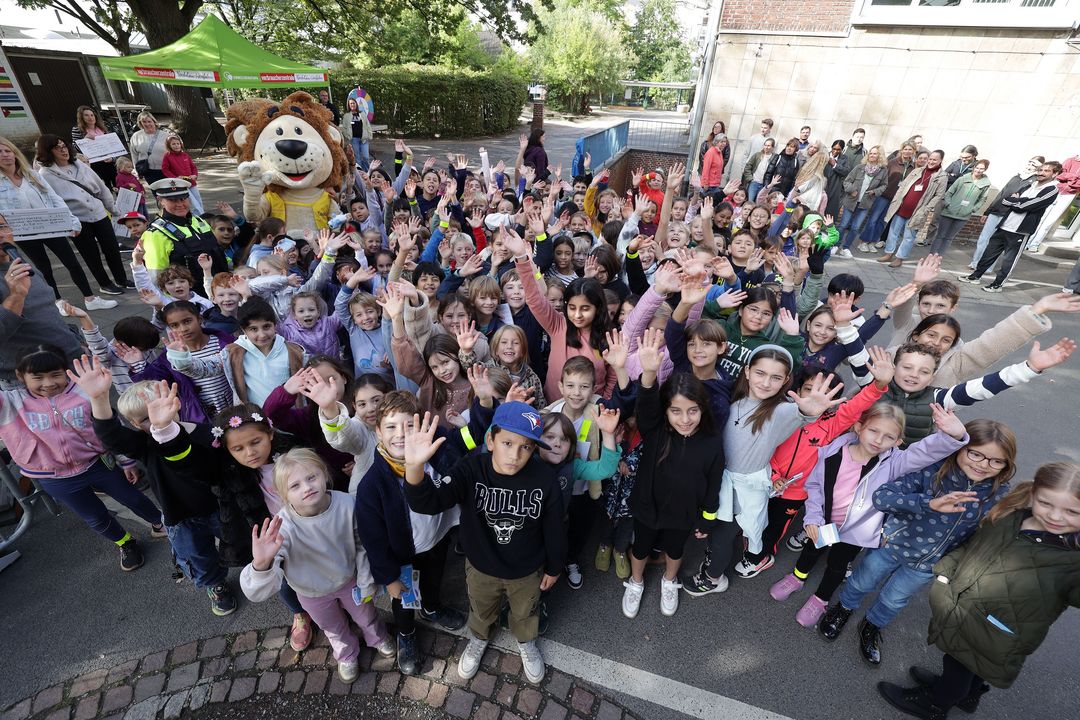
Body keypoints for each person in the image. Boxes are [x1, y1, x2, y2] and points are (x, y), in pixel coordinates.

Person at [877, 462, 1080, 719]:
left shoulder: (1073, 559)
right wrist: (945, 570)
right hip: (969, 612)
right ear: (1033, 494)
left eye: (1072, 511)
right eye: (1046, 503)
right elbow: (975, 544)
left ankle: (934, 704)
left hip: (997, 631)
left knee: (957, 666)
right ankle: (968, 695)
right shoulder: (1014, 515)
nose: (1055, 516)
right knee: (967, 666)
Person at [820, 419, 1015, 665]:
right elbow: (882, 497)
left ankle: (872, 625)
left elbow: (984, 536)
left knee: (895, 599)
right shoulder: (933, 470)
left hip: (929, 563)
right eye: (975, 454)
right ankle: (845, 607)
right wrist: (928, 503)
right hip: (891, 546)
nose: (983, 465)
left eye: (996, 461)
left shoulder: (999, 493)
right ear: (960, 447)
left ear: (1006, 464)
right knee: (862, 580)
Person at [402, 404, 566, 685]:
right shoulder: (471, 468)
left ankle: (526, 642)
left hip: (526, 571)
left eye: (526, 447)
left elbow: (555, 527)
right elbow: (428, 501)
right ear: (491, 441)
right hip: (481, 567)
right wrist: (414, 467)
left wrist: (555, 566)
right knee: (481, 608)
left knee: (525, 611)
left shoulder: (545, 478)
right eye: (507, 443)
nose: (515, 455)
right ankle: (479, 637)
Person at [769, 402, 970, 629]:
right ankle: (797, 577)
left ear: (897, 442)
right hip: (823, 523)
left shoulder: (895, 463)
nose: (878, 440)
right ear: (859, 427)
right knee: (811, 550)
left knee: (837, 565)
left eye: (888, 437)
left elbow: (923, 451)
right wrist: (812, 518)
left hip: (855, 534)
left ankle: (821, 599)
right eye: (874, 430)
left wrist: (954, 435)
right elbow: (815, 485)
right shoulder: (834, 451)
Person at [73, 365, 239, 616]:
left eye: (160, 408)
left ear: (176, 402)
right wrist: (98, 398)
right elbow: (111, 436)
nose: (156, 420)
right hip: (180, 517)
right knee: (198, 558)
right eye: (145, 419)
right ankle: (216, 585)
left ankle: (258, 572)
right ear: (134, 424)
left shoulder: (207, 433)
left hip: (220, 508)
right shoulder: (145, 445)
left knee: (239, 542)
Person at [1, 346, 164, 570]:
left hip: (97, 462)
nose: (48, 383)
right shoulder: (10, 403)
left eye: (55, 375)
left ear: (66, 370)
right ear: (20, 376)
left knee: (133, 498)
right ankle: (125, 543)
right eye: (37, 377)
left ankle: (159, 522)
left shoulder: (83, 391)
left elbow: (110, 428)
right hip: (54, 476)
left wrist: (126, 460)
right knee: (95, 516)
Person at [241, 448, 394, 683]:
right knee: (332, 627)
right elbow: (258, 591)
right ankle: (346, 654)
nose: (307, 487)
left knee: (366, 615)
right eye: (295, 486)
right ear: (283, 494)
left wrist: (366, 580)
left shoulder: (347, 504)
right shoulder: (282, 527)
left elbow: (362, 543)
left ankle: (377, 638)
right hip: (311, 593)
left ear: (324, 474)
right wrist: (261, 564)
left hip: (349, 581)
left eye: (311, 477)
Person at [618, 329, 724, 618]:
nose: (685, 419)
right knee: (640, 548)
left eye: (692, 411)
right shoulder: (655, 430)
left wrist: (707, 517)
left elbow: (714, 484)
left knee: (675, 550)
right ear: (665, 412)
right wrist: (649, 373)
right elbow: (646, 402)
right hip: (646, 507)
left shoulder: (713, 442)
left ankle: (669, 580)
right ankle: (636, 582)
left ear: (703, 410)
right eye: (676, 411)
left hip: (684, 513)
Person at [0, 140, 117, 313]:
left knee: (72, 262)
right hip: (24, 232)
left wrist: (71, 220)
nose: (4, 155)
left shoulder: (32, 175)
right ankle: (58, 301)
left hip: (49, 226)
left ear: (14, 153)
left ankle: (90, 298)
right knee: (43, 267)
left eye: (7, 151)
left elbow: (55, 198)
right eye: (0, 152)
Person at [35, 134, 130, 295]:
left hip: (98, 212)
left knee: (111, 247)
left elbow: (101, 186)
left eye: (64, 146)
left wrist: (113, 209)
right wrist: (68, 223)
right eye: (57, 148)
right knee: (91, 254)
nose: (63, 150)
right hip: (78, 219)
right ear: (48, 152)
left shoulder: (79, 163)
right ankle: (104, 283)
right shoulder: (45, 174)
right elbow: (51, 201)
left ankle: (121, 278)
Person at [960, 161, 1061, 292]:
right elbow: (1006, 199)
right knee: (988, 253)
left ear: (1055, 174)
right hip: (1004, 225)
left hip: (1020, 231)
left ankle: (997, 285)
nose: (1041, 173)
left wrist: (1018, 202)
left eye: (1047, 171)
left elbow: (1025, 206)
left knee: (1009, 260)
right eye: (1041, 170)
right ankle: (975, 276)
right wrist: (1020, 202)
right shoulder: (1030, 185)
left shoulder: (1052, 189)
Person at [0, 235, 85, 386]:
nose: (0, 234)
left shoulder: (23, 265)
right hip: (36, 382)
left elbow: (47, 311)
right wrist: (16, 296)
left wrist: (75, 339)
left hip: (74, 364)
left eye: (1, 226)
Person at [140, 178, 228, 291]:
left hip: (219, 290)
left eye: (183, 199)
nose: (180, 204)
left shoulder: (199, 221)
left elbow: (217, 252)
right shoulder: (155, 234)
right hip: (188, 298)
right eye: (173, 200)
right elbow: (156, 277)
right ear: (160, 200)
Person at [968, 156, 1043, 270]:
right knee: (984, 239)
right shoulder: (1016, 177)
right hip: (996, 211)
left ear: (1038, 168)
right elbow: (1001, 194)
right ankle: (975, 263)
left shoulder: (1033, 182)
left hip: (1008, 215)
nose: (1030, 166)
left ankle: (986, 268)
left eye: (1034, 165)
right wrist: (987, 211)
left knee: (995, 243)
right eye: (1029, 162)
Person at [878, 150, 947, 268]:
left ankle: (900, 258)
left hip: (917, 212)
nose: (931, 161)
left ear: (940, 161)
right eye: (930, 159)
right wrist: (896, 200)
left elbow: (939, 196)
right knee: (893, 232)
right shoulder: (917, 170)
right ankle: (889, 253)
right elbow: (903, 186)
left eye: (934, 160)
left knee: (909, 237)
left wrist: (926, 208)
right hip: (901, 207)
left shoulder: (941, 176)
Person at [859, 142, 916, 252]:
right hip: (883, 196)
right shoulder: (892, 163)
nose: (907, 151)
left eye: (910, 150)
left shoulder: (913, 167)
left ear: (913, 152)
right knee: (873, 219)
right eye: (905, 149)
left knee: (882, 221)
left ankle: (872, 241)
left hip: (896, 199)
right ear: (902, 150)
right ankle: (864, 241)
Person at [929, 159, 991, 256]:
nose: (978, 170)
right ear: (974, 167)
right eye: (977, 168)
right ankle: (931, 255)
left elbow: (982, 199)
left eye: (982, 169)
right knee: (940, 235)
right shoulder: (962, 179)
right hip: (948, 212)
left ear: (985, 170)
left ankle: (939, 257)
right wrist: (948, 204)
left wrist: (972, 209)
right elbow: (949, 193)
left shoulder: (985, 184)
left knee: (949, 237)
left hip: (963, 216)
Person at [838, 146, 887, 257]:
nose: (872, 155)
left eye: (875, 153)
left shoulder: (882, 171)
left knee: (855, 228)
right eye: (871, 153)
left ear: (879, 156)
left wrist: (874, 191)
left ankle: (845, 248)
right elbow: (847, 181)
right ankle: (835, 245)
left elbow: (884, 185)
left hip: (865, 203)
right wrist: (851, 190)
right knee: (843, 225)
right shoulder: (859, 167)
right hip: (851, 201)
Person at [1025, 151, 1079, 252]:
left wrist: (1070, 179)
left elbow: (1078, 184)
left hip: (1069, 194)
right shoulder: (1069, 161)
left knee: (1049, 222)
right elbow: (1059, 175)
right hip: (1056, 190)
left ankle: (1034, 244)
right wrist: (1073, 177)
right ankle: (1026, 241)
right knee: (1041, 217)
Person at [70, 105, 118, 189]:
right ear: (81, 117)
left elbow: (112, 147)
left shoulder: (102, 128)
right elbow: (74, 148)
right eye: (86, 115)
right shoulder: (77, 130)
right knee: (104, 189)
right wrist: (85, 139)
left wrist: (112, 158)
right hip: (94, 165)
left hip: (109, 163)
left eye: (92, 115)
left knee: (118, 186)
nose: (90, 117)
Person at [161, 136, 203, 216]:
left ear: (181, 144)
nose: (176, 145)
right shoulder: (167, 156)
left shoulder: (185, 155)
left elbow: (193, 167)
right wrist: (175, 178)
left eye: (178, 144)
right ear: (169, 145)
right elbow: (165, 170)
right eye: (173, 144)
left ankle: (203, 217)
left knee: (198, 201)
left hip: (192, 183)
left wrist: (195, 175)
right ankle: (199, 218)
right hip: (181, 185)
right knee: (193, 203)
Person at [128, 112, 174, 185]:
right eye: (144, 122)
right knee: (157, 194)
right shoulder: (136, 136)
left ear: (154, 122)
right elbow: (134, 154)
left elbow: (174, 152)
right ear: (140, 123)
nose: (147, 124)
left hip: (166, 170)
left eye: (149, 121)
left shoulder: (165, 136)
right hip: (148, 171)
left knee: (170, 192)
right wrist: (136, 169)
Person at [340, 97, 371, 171]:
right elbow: (344, 128)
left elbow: (367, 125)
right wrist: (347, 136)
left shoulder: (362, 114)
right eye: (350, 103)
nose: (352, 105)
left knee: (366, 157)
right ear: (348, 105)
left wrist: (369, 134)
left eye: (353, 103)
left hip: (363, 139)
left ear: (356, 104)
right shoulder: (346, 116)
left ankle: (368, 173)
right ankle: (360, 174)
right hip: (354, 139)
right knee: (357, 158)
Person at [744, 138, 776, 204]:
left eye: (769, 145)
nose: (766, 147)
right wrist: (750, 179)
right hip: (754, 182)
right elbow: (748, 167)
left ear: (772, 147)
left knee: (760, 203)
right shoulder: (757, 155)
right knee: (750, 201)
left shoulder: (774, 158)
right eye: (765, 145)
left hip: (764, 185)